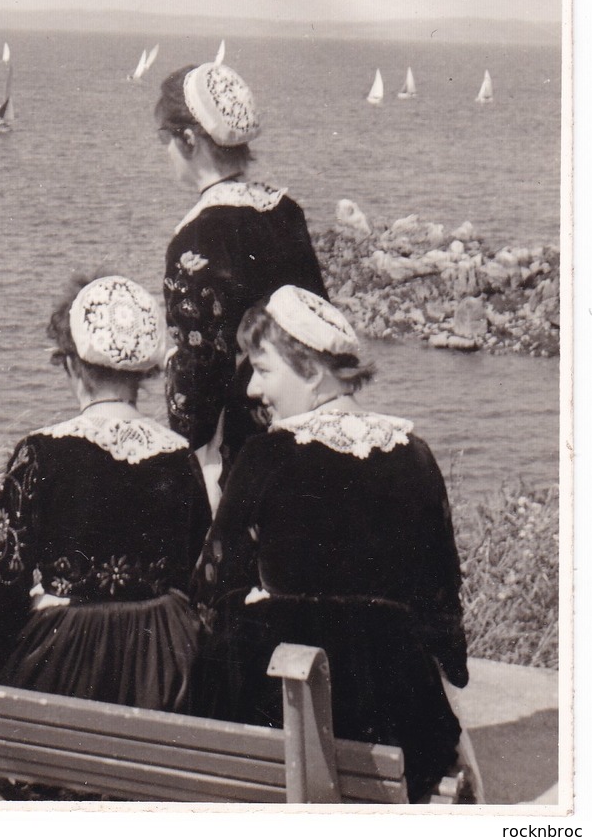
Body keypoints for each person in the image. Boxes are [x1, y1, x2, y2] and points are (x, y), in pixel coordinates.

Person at [190, 286, 477, 802]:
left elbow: (211, 590)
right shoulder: (414, 454)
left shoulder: (264, 456)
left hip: (288, 712)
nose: (253, 389)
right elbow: (441, 606)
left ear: (312, 371)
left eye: (263, 368)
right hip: (399, 718)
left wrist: (263, 602)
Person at [0, 275, 212, 799]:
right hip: (161, 669)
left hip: (64, 667)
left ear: (71, 364)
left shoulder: (42, 452)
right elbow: (200, 571)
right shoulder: (178, 455)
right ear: (143, 372)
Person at [155, 47, 327, 508]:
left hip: (242, 454)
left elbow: (194, 399)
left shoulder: (193, 238)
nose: (166, 151)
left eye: (166, 138)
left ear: (190, 139)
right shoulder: (285, 211)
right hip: (309, 427)